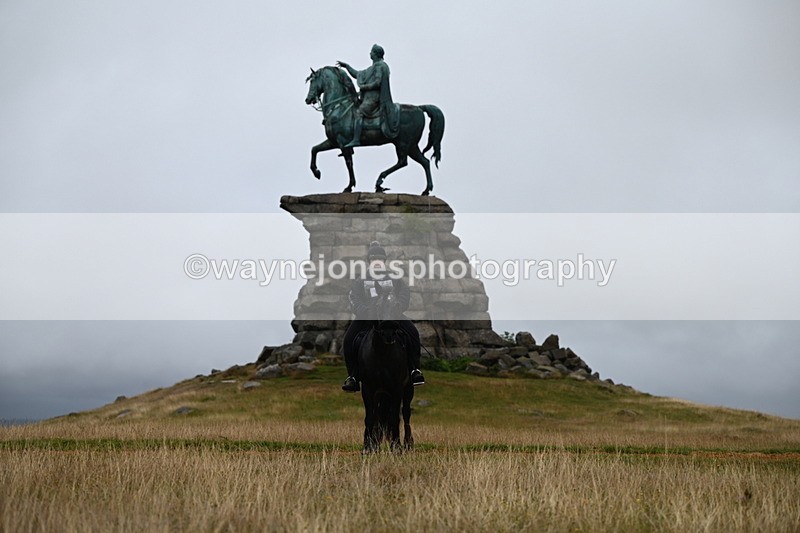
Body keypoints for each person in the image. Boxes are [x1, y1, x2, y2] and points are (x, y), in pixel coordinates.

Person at [341, 241, 425, 392]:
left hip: (391, 316)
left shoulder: (395, 278)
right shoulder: (360, 280)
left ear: (384, 261)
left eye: (380, 259)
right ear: (369, 262)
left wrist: (398, 307)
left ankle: (414, 370)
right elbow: (354, 298)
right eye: (374, 259)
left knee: (413, 333)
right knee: (348, 340)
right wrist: (365, 311)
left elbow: (404, 294)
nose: (377, 262)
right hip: (367, 318)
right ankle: (352, 377)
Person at [336, 44, 399, 147]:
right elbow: (357, 74)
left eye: (371, 52)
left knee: (359, 112)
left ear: (375, 54)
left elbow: (377, 82)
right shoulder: (372, 68)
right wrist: (347, 66)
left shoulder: (380, 66)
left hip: (374, 99)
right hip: (367, 98)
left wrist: (364, 87)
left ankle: (356, 139)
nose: (370, 53)